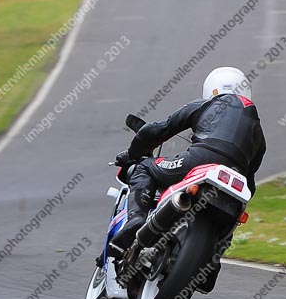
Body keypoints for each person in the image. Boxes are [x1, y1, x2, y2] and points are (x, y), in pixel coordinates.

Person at [113, 66, 266, 249]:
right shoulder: (258, 132)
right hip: (236, 177)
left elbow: (158, 130)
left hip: (200, 159)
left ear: (212, 89)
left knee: (144, 167)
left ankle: (136, 220)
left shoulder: (206, 104)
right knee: (223, 239)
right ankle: (211, 262)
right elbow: (250, 183)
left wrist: (132, 155)